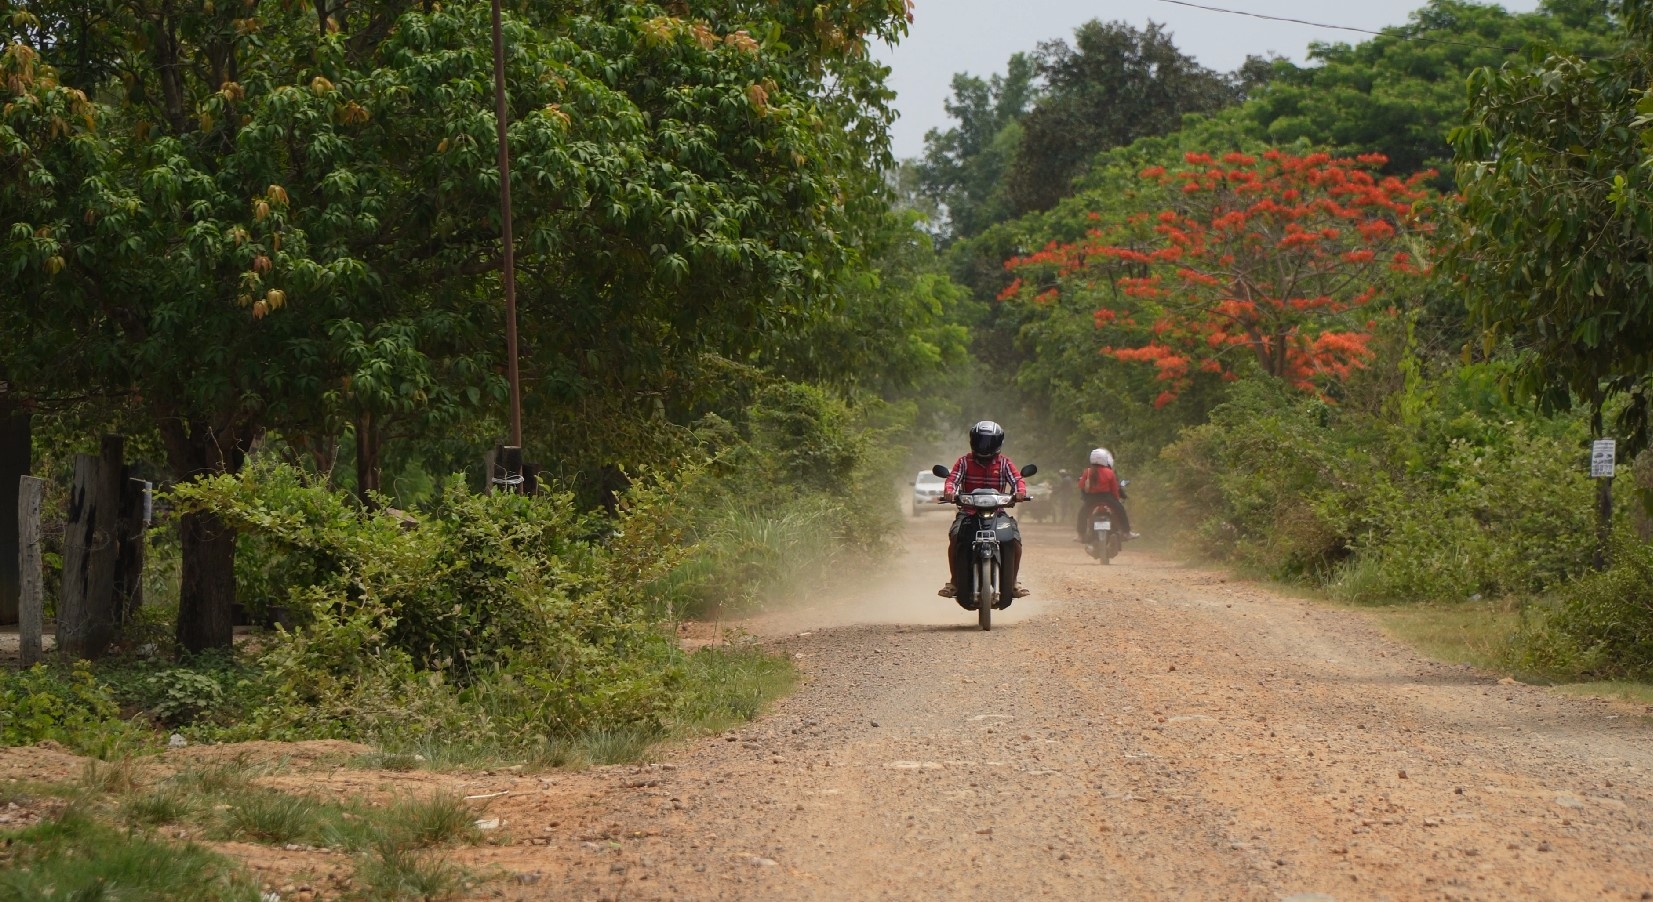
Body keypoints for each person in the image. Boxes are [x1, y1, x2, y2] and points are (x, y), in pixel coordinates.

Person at [938, 421, 1030, 607]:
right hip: (969, 512)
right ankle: (955, 581)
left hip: (998, 512)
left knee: (1014, 541)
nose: (984, 446)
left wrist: (1020, 492)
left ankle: (1012, 583)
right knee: (956, 537)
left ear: (998, 442)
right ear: (973, 441)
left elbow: (1018, 480)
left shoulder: (1005, 463)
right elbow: (952, 479)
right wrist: (949, 491)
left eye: (989, 441)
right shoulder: (964, 462)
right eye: (981, 441)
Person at [1076, 447, 1136, 541]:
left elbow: (1081, 485)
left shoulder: (1087, 472)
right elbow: (1114, 489)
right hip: (1107, 497)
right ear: (1104, 459)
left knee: (1082, 513)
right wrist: (1116, 499)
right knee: (1121, 511)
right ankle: (1126, 532)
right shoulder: (1109, 472)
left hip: (1092, 499)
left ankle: (1081, 534)